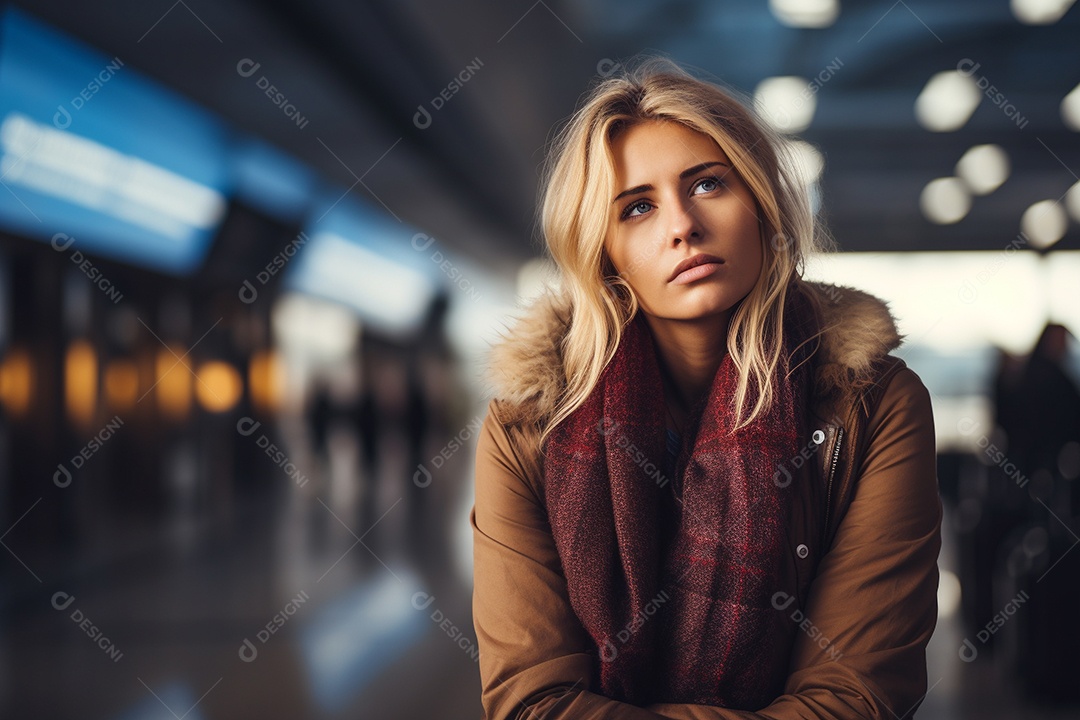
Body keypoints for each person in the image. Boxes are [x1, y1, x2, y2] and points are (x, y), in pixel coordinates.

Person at [471, 57, 942, 719]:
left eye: (708, 184)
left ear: (761, 202)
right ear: (603, 252)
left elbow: (854, 700)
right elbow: (532, 703)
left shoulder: (872, 406)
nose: (681, 226)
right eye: (637, 207)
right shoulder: (528, 425)